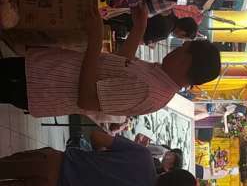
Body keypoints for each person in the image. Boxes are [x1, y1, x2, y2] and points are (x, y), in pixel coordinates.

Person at [0, 8, 221, 120]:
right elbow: (120, 65)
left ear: (185, 61)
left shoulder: (149, 91)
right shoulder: (159, 77)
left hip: (41, 87)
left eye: (181, 49)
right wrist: (139, 28)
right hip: (44, 69)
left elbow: (87, 99)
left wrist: (95, 43)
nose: (175, 49)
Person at [0, 131, 197, 186]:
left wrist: (99, 158)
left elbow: (96, 136)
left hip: (52, 162)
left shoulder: (143, 155)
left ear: (173, 172)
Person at [106, 12, 198, 45]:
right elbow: (139, 40)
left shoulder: (169, 10)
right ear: (183, 32)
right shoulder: (165, 32)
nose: (180, 38)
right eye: (183, 38)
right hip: (120, 23)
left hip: (122, 10)